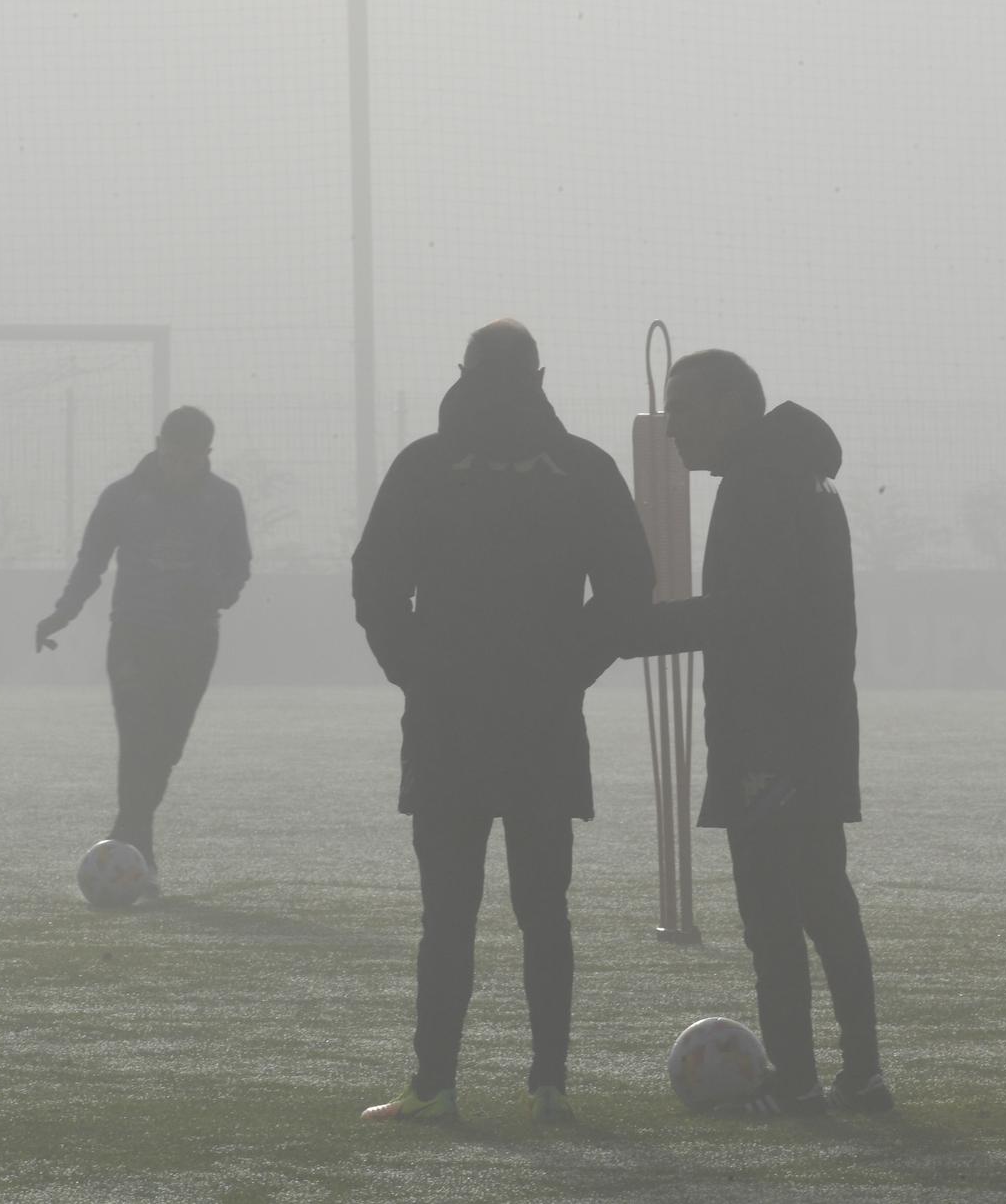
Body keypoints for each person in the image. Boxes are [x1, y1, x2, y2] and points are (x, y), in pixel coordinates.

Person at [351, 320, 653, 1127]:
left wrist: (418, 669)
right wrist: (567, 669)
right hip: (544, 722)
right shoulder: (583, 468)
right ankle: (548, 1084)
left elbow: (375, 583)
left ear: (462, 373)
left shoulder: (424, 465)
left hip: (447, 720)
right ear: (540, 375)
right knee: (544, 908)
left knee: (447, 913)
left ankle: (434, 1086)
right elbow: (630, 589)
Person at [615, 349, 890, 1117]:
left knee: (772, 912)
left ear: (733, 404)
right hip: (817, 725)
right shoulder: (799, 471)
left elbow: (742, 615)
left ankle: (796, 1081)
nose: (672, 430)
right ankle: (862, 1074)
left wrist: (627, 630)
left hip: (770, 733)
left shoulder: (758, 483)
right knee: (824, 900)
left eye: (686, 409)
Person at [36, 405, 251, 896]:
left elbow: (240, 566)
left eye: (189, 460)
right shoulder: (121, 497)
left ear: (206, 456)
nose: (178, 468)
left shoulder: (224, 500)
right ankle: (136, 853)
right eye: (171, 456)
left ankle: (126, 837)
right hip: (134, 635)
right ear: (158, 445)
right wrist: (61, 614)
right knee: (138, 740)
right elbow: (90, 563)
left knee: (165, 749)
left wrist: (218, 593)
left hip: (195, 640)